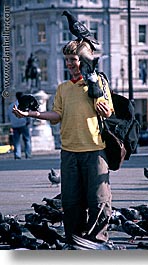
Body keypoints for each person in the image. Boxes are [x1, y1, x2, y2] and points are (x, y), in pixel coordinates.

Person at [13, 40, 114, 245]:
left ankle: (97, 240)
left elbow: (108, 109)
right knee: (71, 202)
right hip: (69, 151)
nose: (69, 64)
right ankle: (74, 240)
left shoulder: (97, 83)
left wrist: (104, 108)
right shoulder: (63, 89)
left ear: (83, 60)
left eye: (73, 60)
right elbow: (57, 114)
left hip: (94, 150)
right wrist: (30, 114)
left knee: (99, 200)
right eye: (66, 60)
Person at [8, 92, 32, 159]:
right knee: (27, 139)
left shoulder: (11, 106)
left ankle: (17, 155)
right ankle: (28, 154)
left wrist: (12, 122)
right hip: (23, 124)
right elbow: (28, 114)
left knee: (16, 141)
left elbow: (9, 116)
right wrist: (28, 121)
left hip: (15, 125)